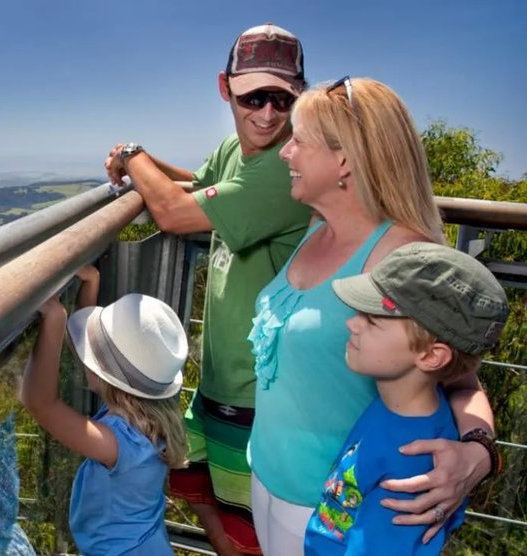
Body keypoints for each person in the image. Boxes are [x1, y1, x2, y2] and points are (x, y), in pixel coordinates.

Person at [247, 77, 500, 554]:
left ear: (343, 160)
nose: (286, 152)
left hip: (334, 511)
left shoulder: (400, 256)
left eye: (299, 140)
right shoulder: (317, 228)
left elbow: (459, 376)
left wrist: (477, 453)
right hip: (268, 477)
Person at [105, 23, 313, 555]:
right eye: (253, 97)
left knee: (250, 533)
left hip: (260, 388)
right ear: (226, 88)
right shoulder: (236, 149)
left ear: (300, 95)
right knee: (208, 500)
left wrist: (131, 157)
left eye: (282, 99)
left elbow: (176, 213)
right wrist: (148, 161)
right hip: (226, 377)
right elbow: (199, 188)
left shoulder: (284, 168)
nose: (267, 114)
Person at [300, 242, 509, 555]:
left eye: (371, 321)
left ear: (430, 356)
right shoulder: (399, 406)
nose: (351, 323)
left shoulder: (412, 472)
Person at [20, 266, 188, 555]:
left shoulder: (117, 444)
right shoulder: (146, 419)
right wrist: (91, 281)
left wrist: (56, 318)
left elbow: (40, 404)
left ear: (105, 376)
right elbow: (94, 354)